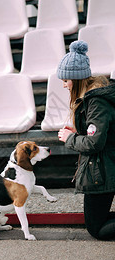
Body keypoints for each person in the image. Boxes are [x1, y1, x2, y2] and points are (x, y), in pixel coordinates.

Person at [57, 40, 115, 240]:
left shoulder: (97, 102)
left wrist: (70, 138)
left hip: (107, 168)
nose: (64, 85)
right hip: (104, 165)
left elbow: (94, 143)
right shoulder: (91, 98)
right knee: (95, 223)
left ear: (77, 79)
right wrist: (78, 130)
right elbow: (97, 132)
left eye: (66, 80)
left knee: (97, 229)